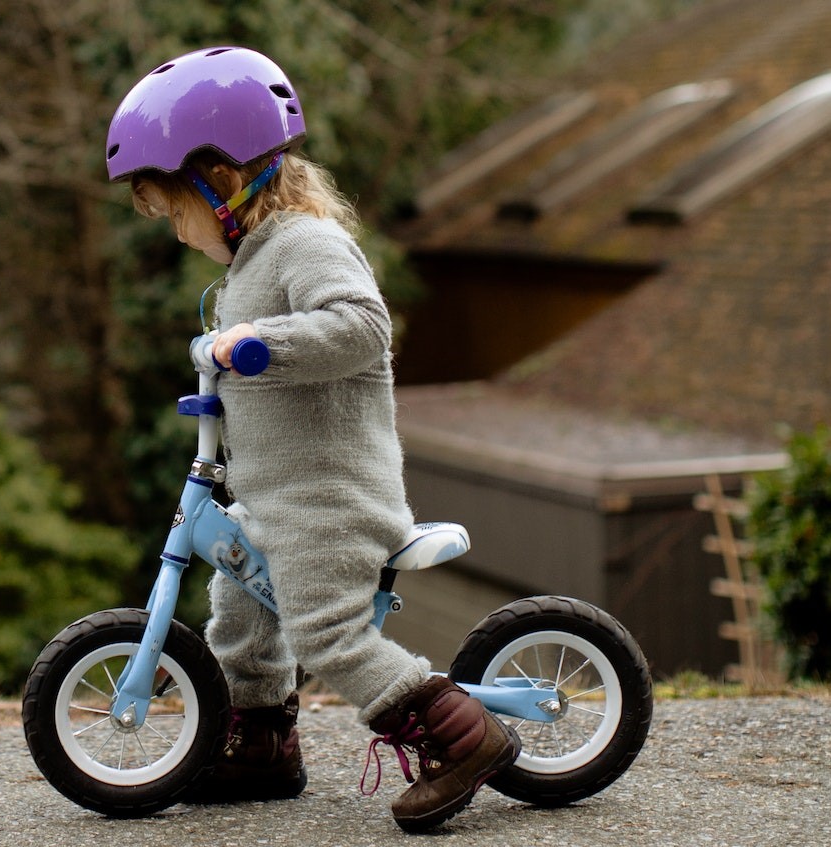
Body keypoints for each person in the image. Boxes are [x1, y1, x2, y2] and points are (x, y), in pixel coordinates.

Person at [105, 46, 520, 833]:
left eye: (175, 212)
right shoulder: (249, 261)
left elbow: (363, 328)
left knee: (323, 629)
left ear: (219, 182)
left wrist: (263, 342)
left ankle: (459, 735)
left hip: (331, 496)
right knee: (238, 611)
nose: (178, 234)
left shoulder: (305, 244)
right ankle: (260, 747)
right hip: (273, 494)